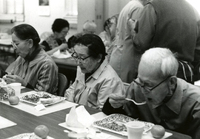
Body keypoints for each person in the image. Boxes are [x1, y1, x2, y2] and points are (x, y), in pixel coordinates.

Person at [102, 48, 200, 139]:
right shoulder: (138, 87)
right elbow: (122, 122)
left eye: (149, 85)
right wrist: (113, 105)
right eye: (140, 81)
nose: (143, 89)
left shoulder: (195, 104)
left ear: (171, 82)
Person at [132, 0, 200, 84]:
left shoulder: (152, 7)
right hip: (185, 75)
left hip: (157, 75)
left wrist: (134, 32)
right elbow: (197, 49)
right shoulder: (193, 11)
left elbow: (141, 43)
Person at [64, 34, 125, 110]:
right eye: (76, 56)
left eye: (82, 57)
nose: (78, 62)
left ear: (98, 58)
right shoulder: (83, 68)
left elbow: (102, 113)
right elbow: (71, 91)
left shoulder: (109, 79)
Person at [3, 24, 58, 95]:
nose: (14, 48)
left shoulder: (46, 64)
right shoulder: (21, 57)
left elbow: (43, 95)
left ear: (30, 43)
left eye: (16, 44)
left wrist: (24, 84)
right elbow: (11, 77)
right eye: (12, 44)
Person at [109, 0, 150, 83]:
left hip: (119, 53)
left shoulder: (130, 5)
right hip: (128, 56)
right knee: (124, 91)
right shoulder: (138, 8)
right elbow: (137, 36)